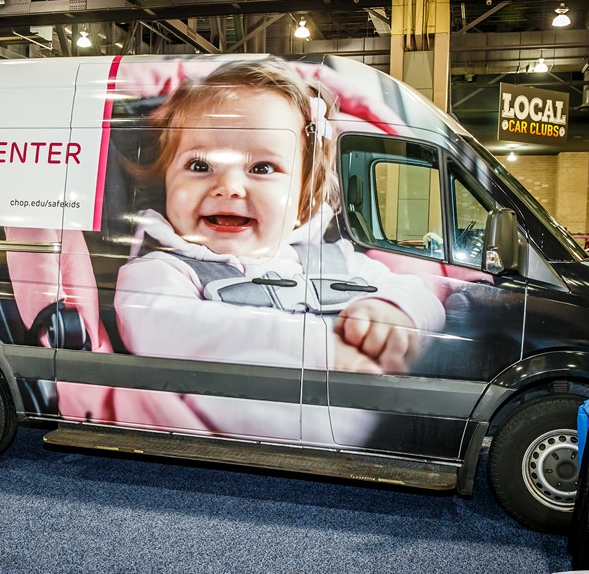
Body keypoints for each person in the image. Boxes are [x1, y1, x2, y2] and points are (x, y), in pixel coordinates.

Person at [115, 58, 445, 375]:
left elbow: (420, 294)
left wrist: (396, 312)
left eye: (262, 168)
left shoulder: (336, 260)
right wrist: (319, 348)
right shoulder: (159, 271)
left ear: (303, 194)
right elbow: (168, 329)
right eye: (200, 166)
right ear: (165, 181)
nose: (228, 187)